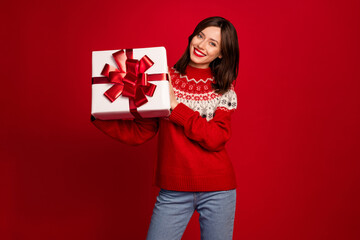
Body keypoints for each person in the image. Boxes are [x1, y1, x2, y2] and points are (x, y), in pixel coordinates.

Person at [92, 16, 239, 240]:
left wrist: (175, 106)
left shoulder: (223, 88)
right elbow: (143, 131)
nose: (201, 45)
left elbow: (216, 137)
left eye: (212, 43)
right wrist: (100, 115)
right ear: (192, 36)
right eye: (200, 36)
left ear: (221, 53)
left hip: (218, 189)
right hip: (173, 188)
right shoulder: (162, 78)